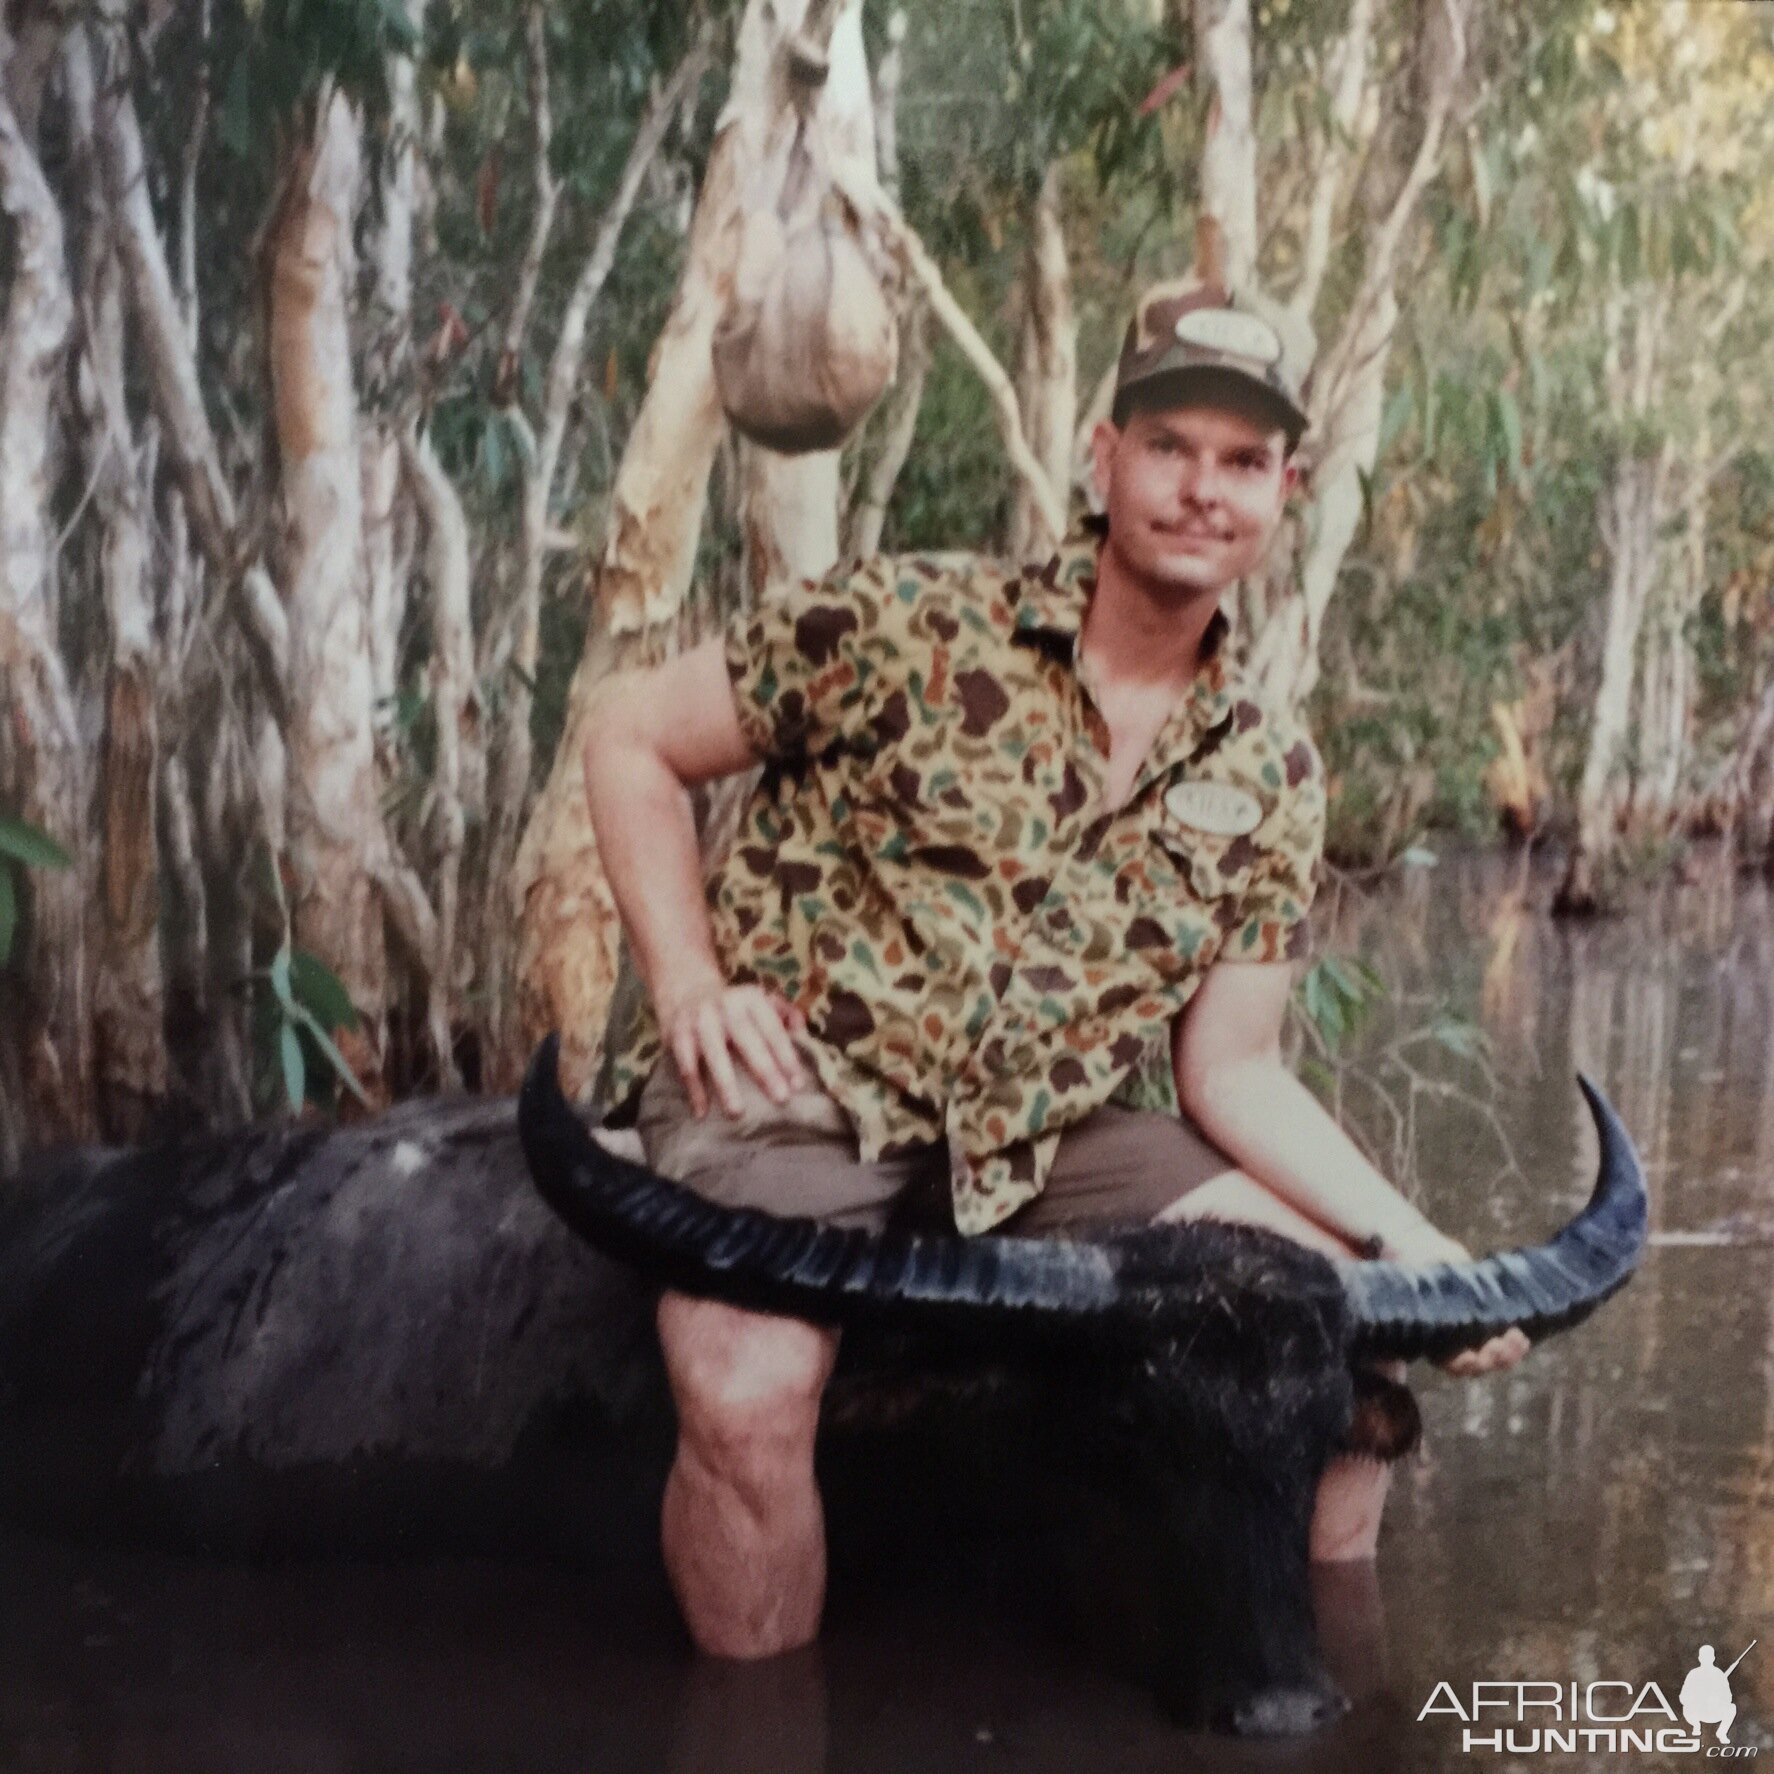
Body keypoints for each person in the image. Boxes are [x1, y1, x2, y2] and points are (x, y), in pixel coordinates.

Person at [583, 273, 1531, 1661]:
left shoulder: (1268, 768)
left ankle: (1318, 1693)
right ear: (1103, 457)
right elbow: (628, 735)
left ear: (1284, 490)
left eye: (1242, 462)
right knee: (743, 1384)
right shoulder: (903, 618)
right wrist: (684, 983)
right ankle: (751, 1733)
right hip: (801, 1082)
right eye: (1170, 448)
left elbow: (1232, 1069)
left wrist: (1413, 1244)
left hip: (1053, 1136)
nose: (1203, 490)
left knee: (1339, 1335)